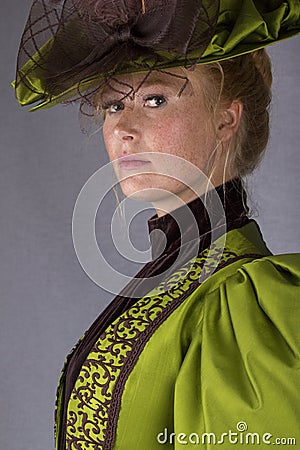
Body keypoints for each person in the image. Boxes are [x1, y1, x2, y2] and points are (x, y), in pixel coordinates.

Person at [14, 1, 300, 449]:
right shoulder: (170, 285)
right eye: (111, 106)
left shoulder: (247, 304)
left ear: (226, 117)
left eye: (155, 99)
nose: (123, 128)